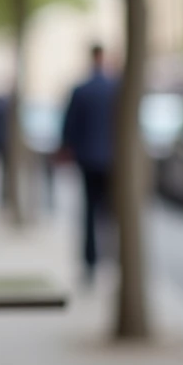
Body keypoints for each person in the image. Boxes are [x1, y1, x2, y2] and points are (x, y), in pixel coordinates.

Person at [60, 44, 117, 283]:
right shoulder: (115, 87)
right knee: (109, 213)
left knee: (89, 213)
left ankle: (90, 263)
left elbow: (69, 127)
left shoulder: (81, 90)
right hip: (111, 160)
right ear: (103, 57)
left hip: (87, 159)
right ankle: (111, 258)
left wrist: (66, 148)